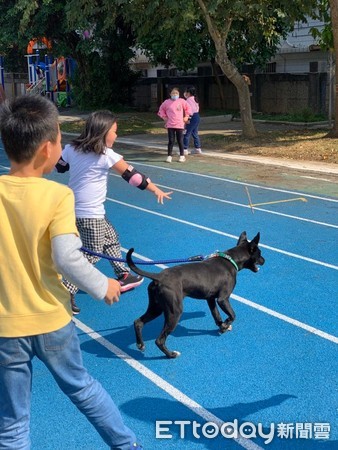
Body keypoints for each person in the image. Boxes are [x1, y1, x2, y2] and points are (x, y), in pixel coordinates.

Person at [0, 95, 142, 450]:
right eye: (61, 140)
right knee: (83, 389)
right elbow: (67, 257)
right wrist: (103, 285)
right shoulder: (57, 197)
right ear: (47, 149)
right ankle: (127, 446)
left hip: (5, 327)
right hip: (50, 319)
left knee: (12, 423)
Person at [56, 110, 172, 313]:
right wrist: (155, 190)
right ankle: (66, 289)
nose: (117, 136)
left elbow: (60, 166)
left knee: (111, 238)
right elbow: (133, 177)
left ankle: (123, 273)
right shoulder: (106, 155)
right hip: (90, 213)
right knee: (92, 254)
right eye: (115, 131)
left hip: (75, 209)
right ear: (103, 132)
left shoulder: (72, 148)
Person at [157, 87, 191, 163]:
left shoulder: (182, 101)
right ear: (170, 94)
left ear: (179, 94)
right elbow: (161, 110)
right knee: (171, 141)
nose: (175, 94)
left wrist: (186, 116)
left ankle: (182, 156)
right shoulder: (166, 102)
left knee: (180, 140)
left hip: (179, 124)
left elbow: (188, 109)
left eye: (176, 93)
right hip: (170, 124)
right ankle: (169, 156)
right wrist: (164, 117)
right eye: (173, 93)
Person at [183, 86, 202, 154]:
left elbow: (190, 111)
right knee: (194, 133)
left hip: (192, 116)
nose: (185, 93)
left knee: (186, 133)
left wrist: (188, 119)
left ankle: (184, 149)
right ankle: (198, 148)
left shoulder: (188, 100)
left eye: (186, 92)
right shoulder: (195, 98)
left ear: (189, 92)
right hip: (197, 116)